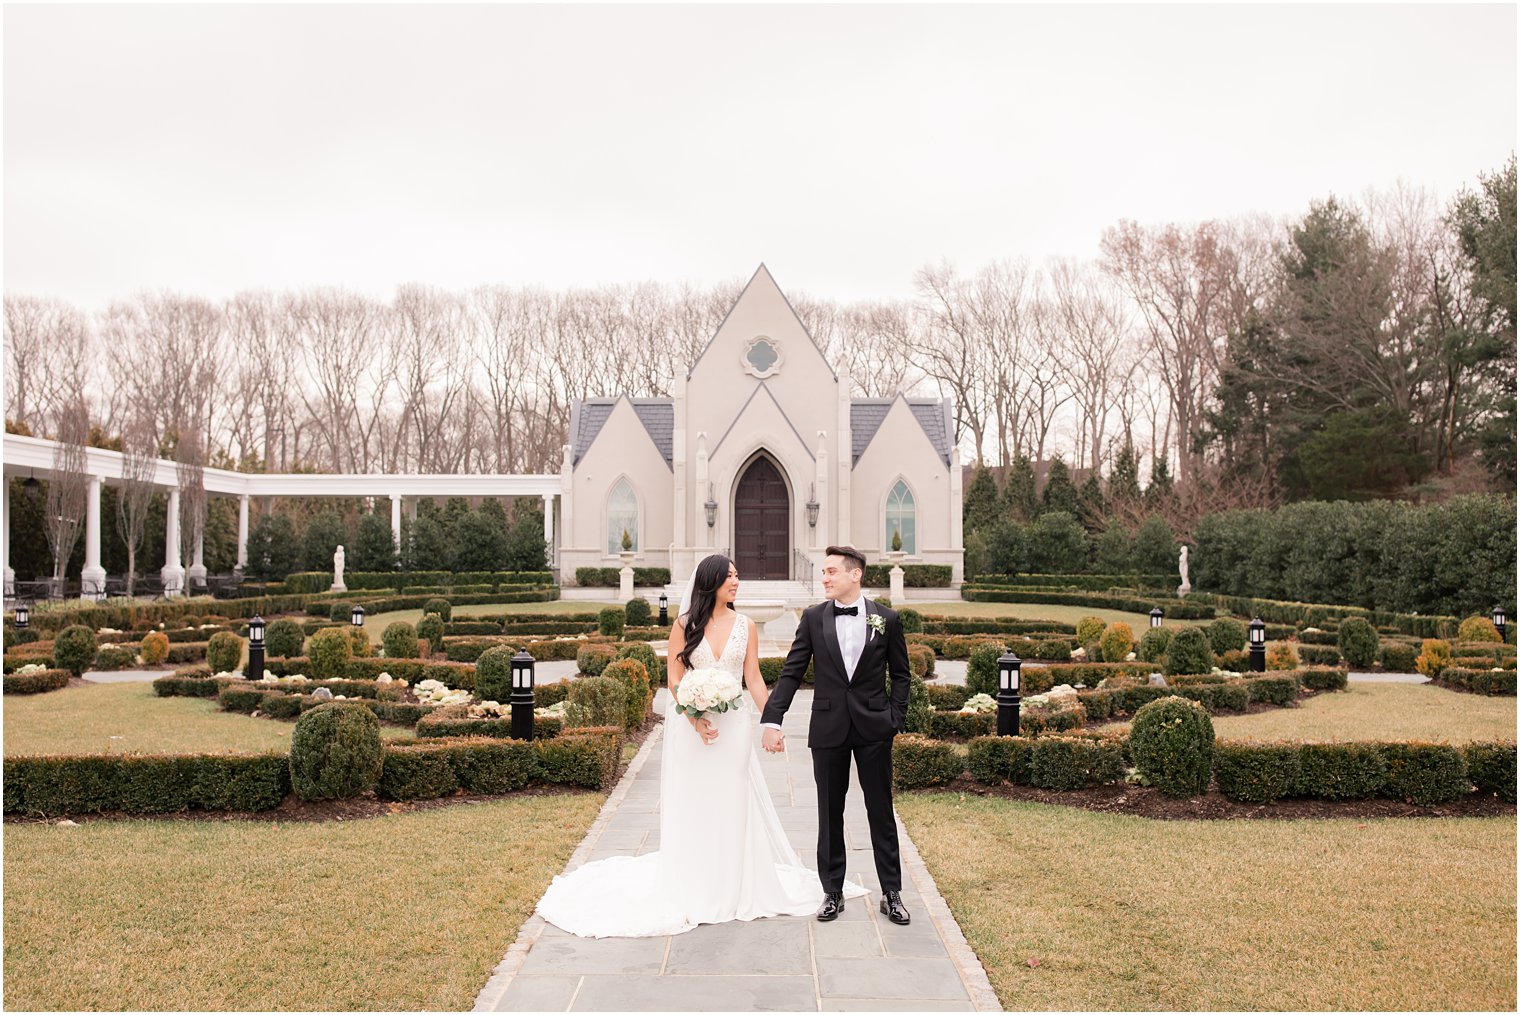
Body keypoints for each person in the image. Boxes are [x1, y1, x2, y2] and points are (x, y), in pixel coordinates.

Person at [535, 553, 864, 937]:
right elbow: (674, 679)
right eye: (729, 577)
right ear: (710, 583)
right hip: (692, 729)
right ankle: (694, 880)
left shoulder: (746, 626)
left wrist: (771, 721)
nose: (737, 582)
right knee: (695, 800)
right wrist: (694, 718)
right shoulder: (684, 625)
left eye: (737, 575)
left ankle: (732, 882)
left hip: (735, 725)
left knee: (732, 797)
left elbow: (754, 679)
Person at [760, 544, 913, 926]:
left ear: (855, 574)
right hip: (828, 729)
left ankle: (891, 892)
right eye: (824, 572)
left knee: (880, 810)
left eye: (831, 571)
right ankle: (832, 891)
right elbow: (792, 672)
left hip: (875, 728)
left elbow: (902, 674)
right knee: (830, 812)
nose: (824, 577)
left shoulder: (887, 619)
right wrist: (772, 719)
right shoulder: (813, 618)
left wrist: (894, 717)